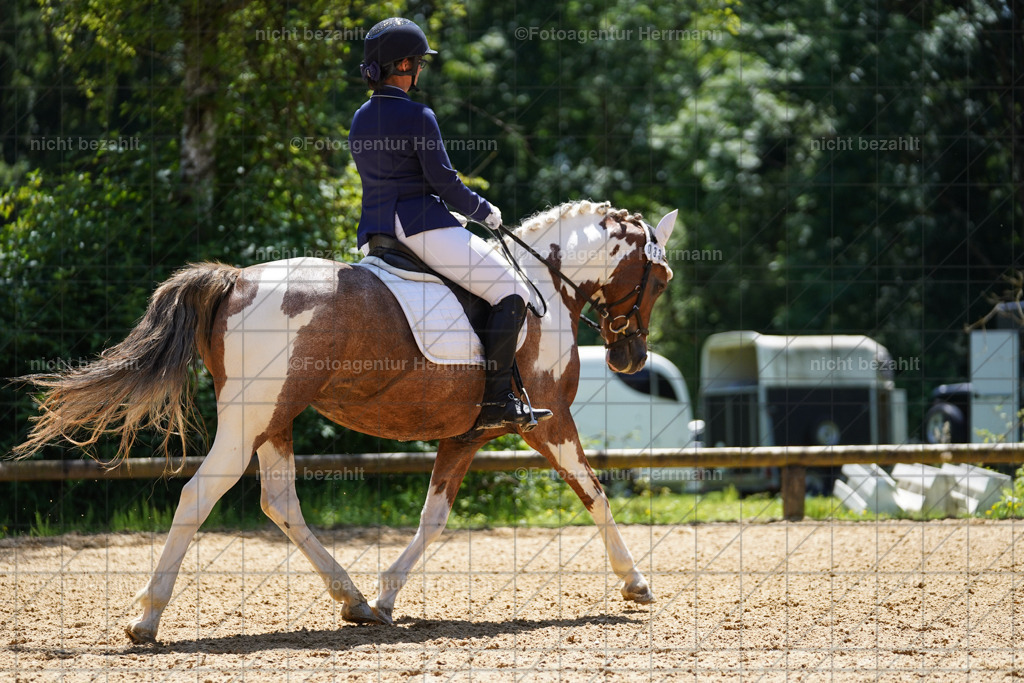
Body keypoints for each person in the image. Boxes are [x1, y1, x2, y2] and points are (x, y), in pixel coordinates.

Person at [349, 17, 551, 430]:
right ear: (405, 66)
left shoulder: (359, 118)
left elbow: (393, 178)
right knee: (513, 289)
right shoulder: (418, 115)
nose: (421, 69)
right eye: (419, 62)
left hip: (375, 232)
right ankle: (497, 401)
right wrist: (482, 211)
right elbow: (444, 180)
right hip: (420, 225)